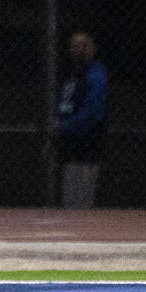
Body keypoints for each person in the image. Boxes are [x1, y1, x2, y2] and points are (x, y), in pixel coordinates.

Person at [54, 31, 110, 209]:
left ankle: (84, 221)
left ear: (92, 49)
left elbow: (93, 110)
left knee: (85, 182)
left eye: (83, 46)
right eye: (74, 46)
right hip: (69, 135)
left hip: (87, 136)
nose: (77, 50)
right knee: (69, 181)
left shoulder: (95, 74)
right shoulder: (72, 75)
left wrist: (68, 124)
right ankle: (71, 215)